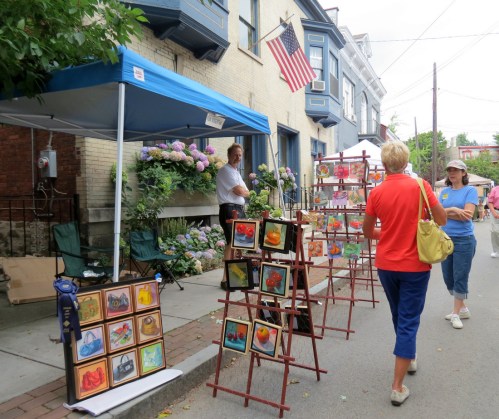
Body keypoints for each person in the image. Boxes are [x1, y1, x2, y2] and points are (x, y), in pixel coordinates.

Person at [363, 142, 446, 407]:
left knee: (399, 315)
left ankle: (408, 356)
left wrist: (387, 232)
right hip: (415, 266)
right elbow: (442, 220)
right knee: (408, 320)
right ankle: (397, 387)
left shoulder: (377, 192)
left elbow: (368, 232)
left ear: (384, 165)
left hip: (386, 265)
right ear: (406, 162)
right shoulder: (421, 186)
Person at [438, 160, 478, 329]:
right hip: (445, 239)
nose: (452, 173)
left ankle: (455, 313)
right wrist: (454, 210)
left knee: (460, 276)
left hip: (464, 240)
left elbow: (467, 215)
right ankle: (463, 309)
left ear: (464, 173)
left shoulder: (470, 190)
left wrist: (445, 213)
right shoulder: (444, 192)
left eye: (456, 170)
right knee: (448, 277)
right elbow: (437, 215)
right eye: (450, 170)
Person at [216, 143, 249, 289]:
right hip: (229, 209)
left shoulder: (236, 173)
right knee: (231, 243)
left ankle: (235, 277)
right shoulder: (225, 171)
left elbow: (246, 191)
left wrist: (243, 191)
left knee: (239, 243)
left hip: (239, 209)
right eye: (235, 154)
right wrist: (243, 192)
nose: (238, 157)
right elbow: (240, 191)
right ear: (229, 155)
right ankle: (225, 280)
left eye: (240, 155)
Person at [487, 184, 499, 257]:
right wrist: (494, 212)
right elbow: (490, 201)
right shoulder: (495, 189)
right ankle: (496, 250)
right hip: (495, 211)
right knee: (494, 231)